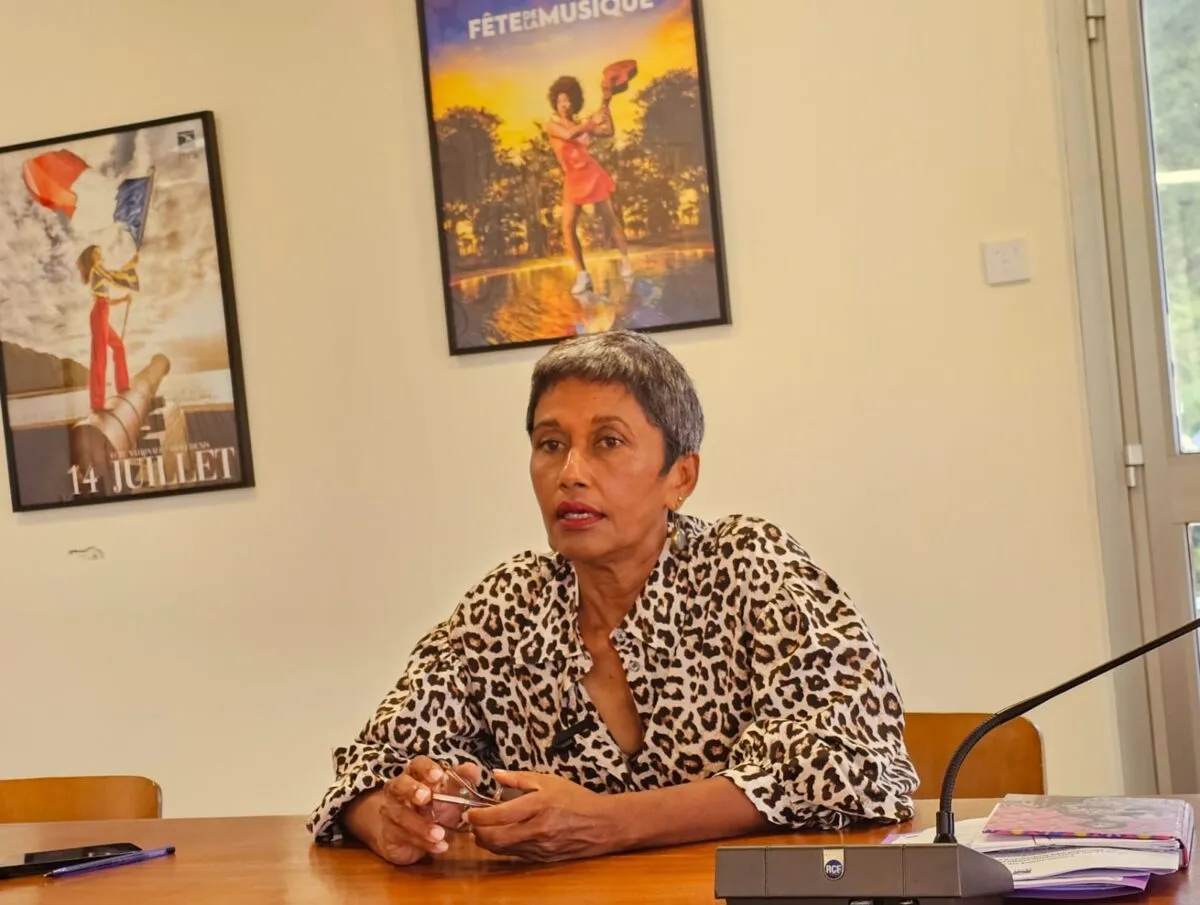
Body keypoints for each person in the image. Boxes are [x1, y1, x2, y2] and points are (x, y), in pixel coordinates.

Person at [308, 330, 918, 864]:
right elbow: (371, 765)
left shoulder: (748, 565)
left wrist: (611, 822)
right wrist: (395, 817)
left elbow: (855, 765)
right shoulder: (507, 606)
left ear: (680, 476)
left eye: (608, 442)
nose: (570, 472)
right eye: (550, 444)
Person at [545, 75, 633, 296]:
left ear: (574, 101)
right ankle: (583, 275)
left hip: (592, 174)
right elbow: (569, 134)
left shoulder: (581, 124)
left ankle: (625, 262)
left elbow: (608, 131)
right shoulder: (553, 125)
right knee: (567, 226)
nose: (565, 105)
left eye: (568, 100)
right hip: (573, 178)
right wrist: (592, 121)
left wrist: (606, 105)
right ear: (555, 103)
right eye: (560, 101)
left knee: (609, 219)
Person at [76, 244, 138, 412]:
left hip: (101, 313)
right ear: (92, 257)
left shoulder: (97, 272)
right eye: (97, 253)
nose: (100, 255)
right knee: (100, 357)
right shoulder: (97, 269)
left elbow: (105, 301)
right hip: (99, 315)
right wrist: (131, 265)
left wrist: (123, 299)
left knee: (118, 346)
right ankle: (97, 403)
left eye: (100, 253)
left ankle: (123, 385)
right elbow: (115, 276)